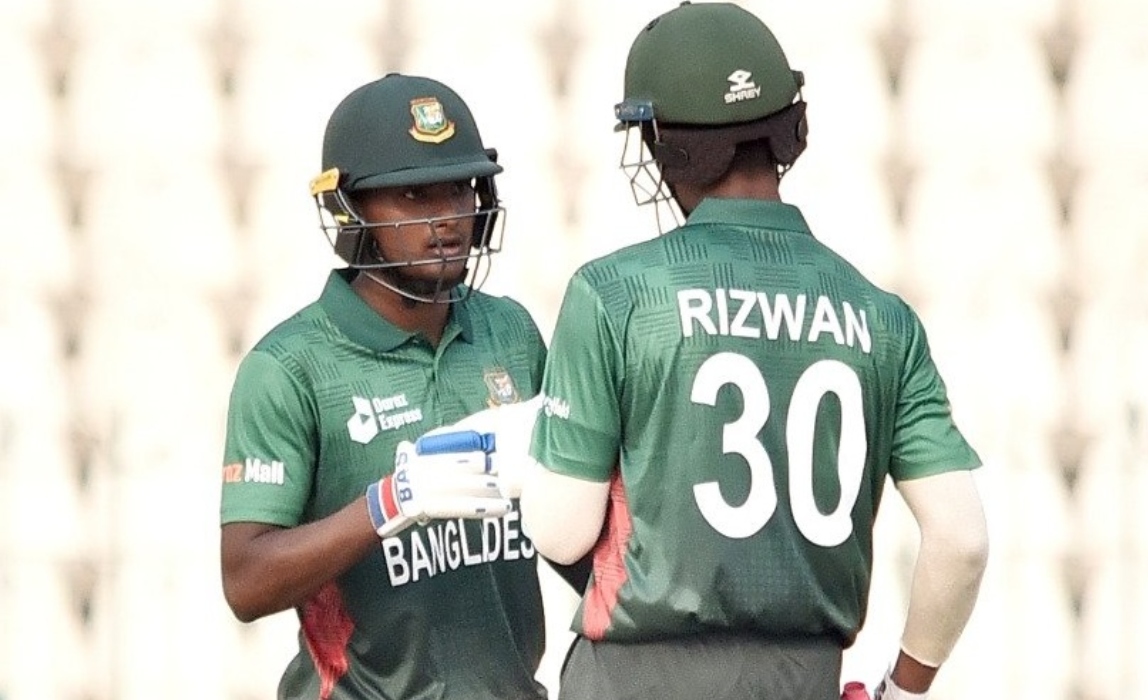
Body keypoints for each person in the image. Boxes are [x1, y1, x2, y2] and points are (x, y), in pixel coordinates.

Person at [520, 4, 989, 700]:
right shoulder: (884, 319)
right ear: (788, 131)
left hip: (635, 679)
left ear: (670, 149)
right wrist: (905, 688)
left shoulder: (614, 294)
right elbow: (962, 539)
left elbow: (561, 532)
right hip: (803, 677)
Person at [219, 72, 585, 700]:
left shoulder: (510, 333)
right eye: (413, 195)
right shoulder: (288, 368)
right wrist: (392, 502)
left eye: (459, 190)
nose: (447, 219)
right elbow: (246, 582)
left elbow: (563, 524)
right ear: (349, 210)